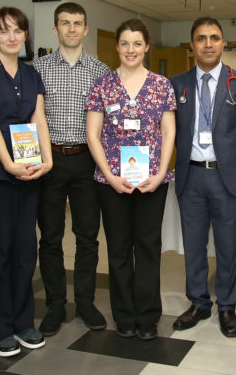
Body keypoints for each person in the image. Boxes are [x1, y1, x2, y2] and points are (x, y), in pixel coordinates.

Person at [85, 18, 176, 340]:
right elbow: (93, 135)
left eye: (137, 43)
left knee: (149, 248)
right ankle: (124, 316)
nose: (131, 50)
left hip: (152, 181)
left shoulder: (162, 86)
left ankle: (148, 317)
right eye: (125, 43)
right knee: (120, 249)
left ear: (146, 46)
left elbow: (168, 132)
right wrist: (109, 176)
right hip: (112, 183)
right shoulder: (102, 85)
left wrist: (161, 172)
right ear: (117, 47)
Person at [170, 17, 236, 338]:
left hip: (227, 177)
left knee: (228, 246)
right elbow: (171, 132)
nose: (208, 43)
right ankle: (198, 302)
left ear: (223, 43)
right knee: (193, 245)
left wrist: (229, 157)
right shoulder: (175, 84)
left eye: (214, 38)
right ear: (192, 45)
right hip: (190, 177)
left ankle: (226, 305)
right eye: (201, 38)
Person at [0, 7, 52, 357]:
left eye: (17, 31)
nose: (11, 37)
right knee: (0, 251)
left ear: (24, 36)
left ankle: (24, 322)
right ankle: (0, 327)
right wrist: (9, 165)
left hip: (30, 171)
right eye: (3, 31)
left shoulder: (32, 73)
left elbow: (38, 119)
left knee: (25, 251)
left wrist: (46, 160)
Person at [32, 2, 110, 335]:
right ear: (55, 30)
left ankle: (86, 302)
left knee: (87, 237)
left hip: (85, 160)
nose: (72, 29)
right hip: (49, 160)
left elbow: (111, 123)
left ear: (86, 29)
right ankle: (54, 304)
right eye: (65, 23)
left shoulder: (100, 70)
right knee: (50, 237)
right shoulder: (36, 69)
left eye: (78, 23)